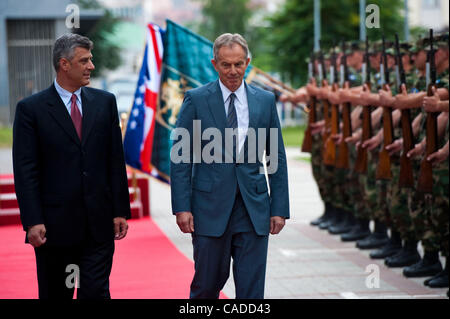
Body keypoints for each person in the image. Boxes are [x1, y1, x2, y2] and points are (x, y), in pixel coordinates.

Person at [170, 33, 289, 299]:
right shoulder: (196, 99)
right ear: (214, 64)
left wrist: (279, 208)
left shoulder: (265, 101)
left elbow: (276, 158)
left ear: (247, 62)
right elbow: (181, 157)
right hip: (209, 209)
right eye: (226, 65)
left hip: (253, 209)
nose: (233, 71)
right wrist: (182, 206)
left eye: (239, 64)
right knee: (206, 286)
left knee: (251, 291)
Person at [12, 33, 131, 299]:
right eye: (85, 60)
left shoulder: (105, 103)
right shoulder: (31, 110)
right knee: (58, 293)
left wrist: (120, 210)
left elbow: (114, 160)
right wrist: (32, 221)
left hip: (98, 227)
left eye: (91, 59)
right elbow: (26, 171)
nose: (92, 66)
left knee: (96, 292)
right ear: (64, 64)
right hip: (54, 230)